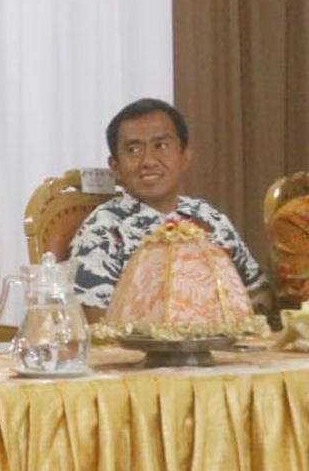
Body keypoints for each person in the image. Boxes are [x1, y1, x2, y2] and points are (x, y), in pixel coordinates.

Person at [70, 97, 269, 323]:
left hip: (225, 351)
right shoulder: (103, 229)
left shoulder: (209, 217)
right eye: (133, 149)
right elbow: (97, 324)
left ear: (185, 157)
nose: (148, 161)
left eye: (161, 146)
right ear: (115, 167)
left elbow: (258, 291)